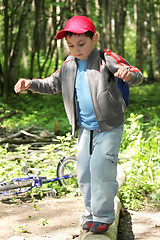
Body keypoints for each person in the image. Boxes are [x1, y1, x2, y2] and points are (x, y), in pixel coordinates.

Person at [14, 16, 143, 234]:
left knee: (101, 167)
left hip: (109, 126)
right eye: (71, 45)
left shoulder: (106, 59)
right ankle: (91, 213)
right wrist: (31, 84)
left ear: (95, 38)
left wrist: (128, 75)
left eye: (81, 44)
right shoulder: (68, 65)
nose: (76, 50)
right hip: (85, 128)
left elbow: (136, 74)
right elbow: (51, 84)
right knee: (83, 172)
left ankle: (103, 216)